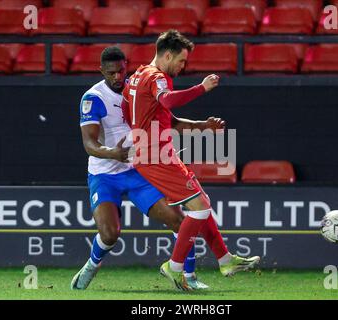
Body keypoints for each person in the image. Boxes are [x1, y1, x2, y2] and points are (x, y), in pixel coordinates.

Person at [71, 46, 225, 291]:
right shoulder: (93, 98)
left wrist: (202, 125)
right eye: (111, 73)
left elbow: (170, 121)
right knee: (110, 233)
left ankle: (188, 276)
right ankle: (92, 264)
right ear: (101, 71)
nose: (117, 77)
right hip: (104, 174)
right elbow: (89, 144)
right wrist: (114, 153)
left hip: (137, 170)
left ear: (127, 67)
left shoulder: (138, 86)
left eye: (121, 71)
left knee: (178, 219)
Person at [122, 30, 260, 291]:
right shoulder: (156, 77)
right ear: (167, 54)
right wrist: (202, 88)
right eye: (181, 61)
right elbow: (169, 100)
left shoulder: (136, 77)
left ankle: (225, 259)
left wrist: (202, 126)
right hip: (155, 155)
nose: (183, 67)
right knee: (200, 207)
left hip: (155, 152)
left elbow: (161, 117)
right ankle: (174, 267)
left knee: (201, 201)